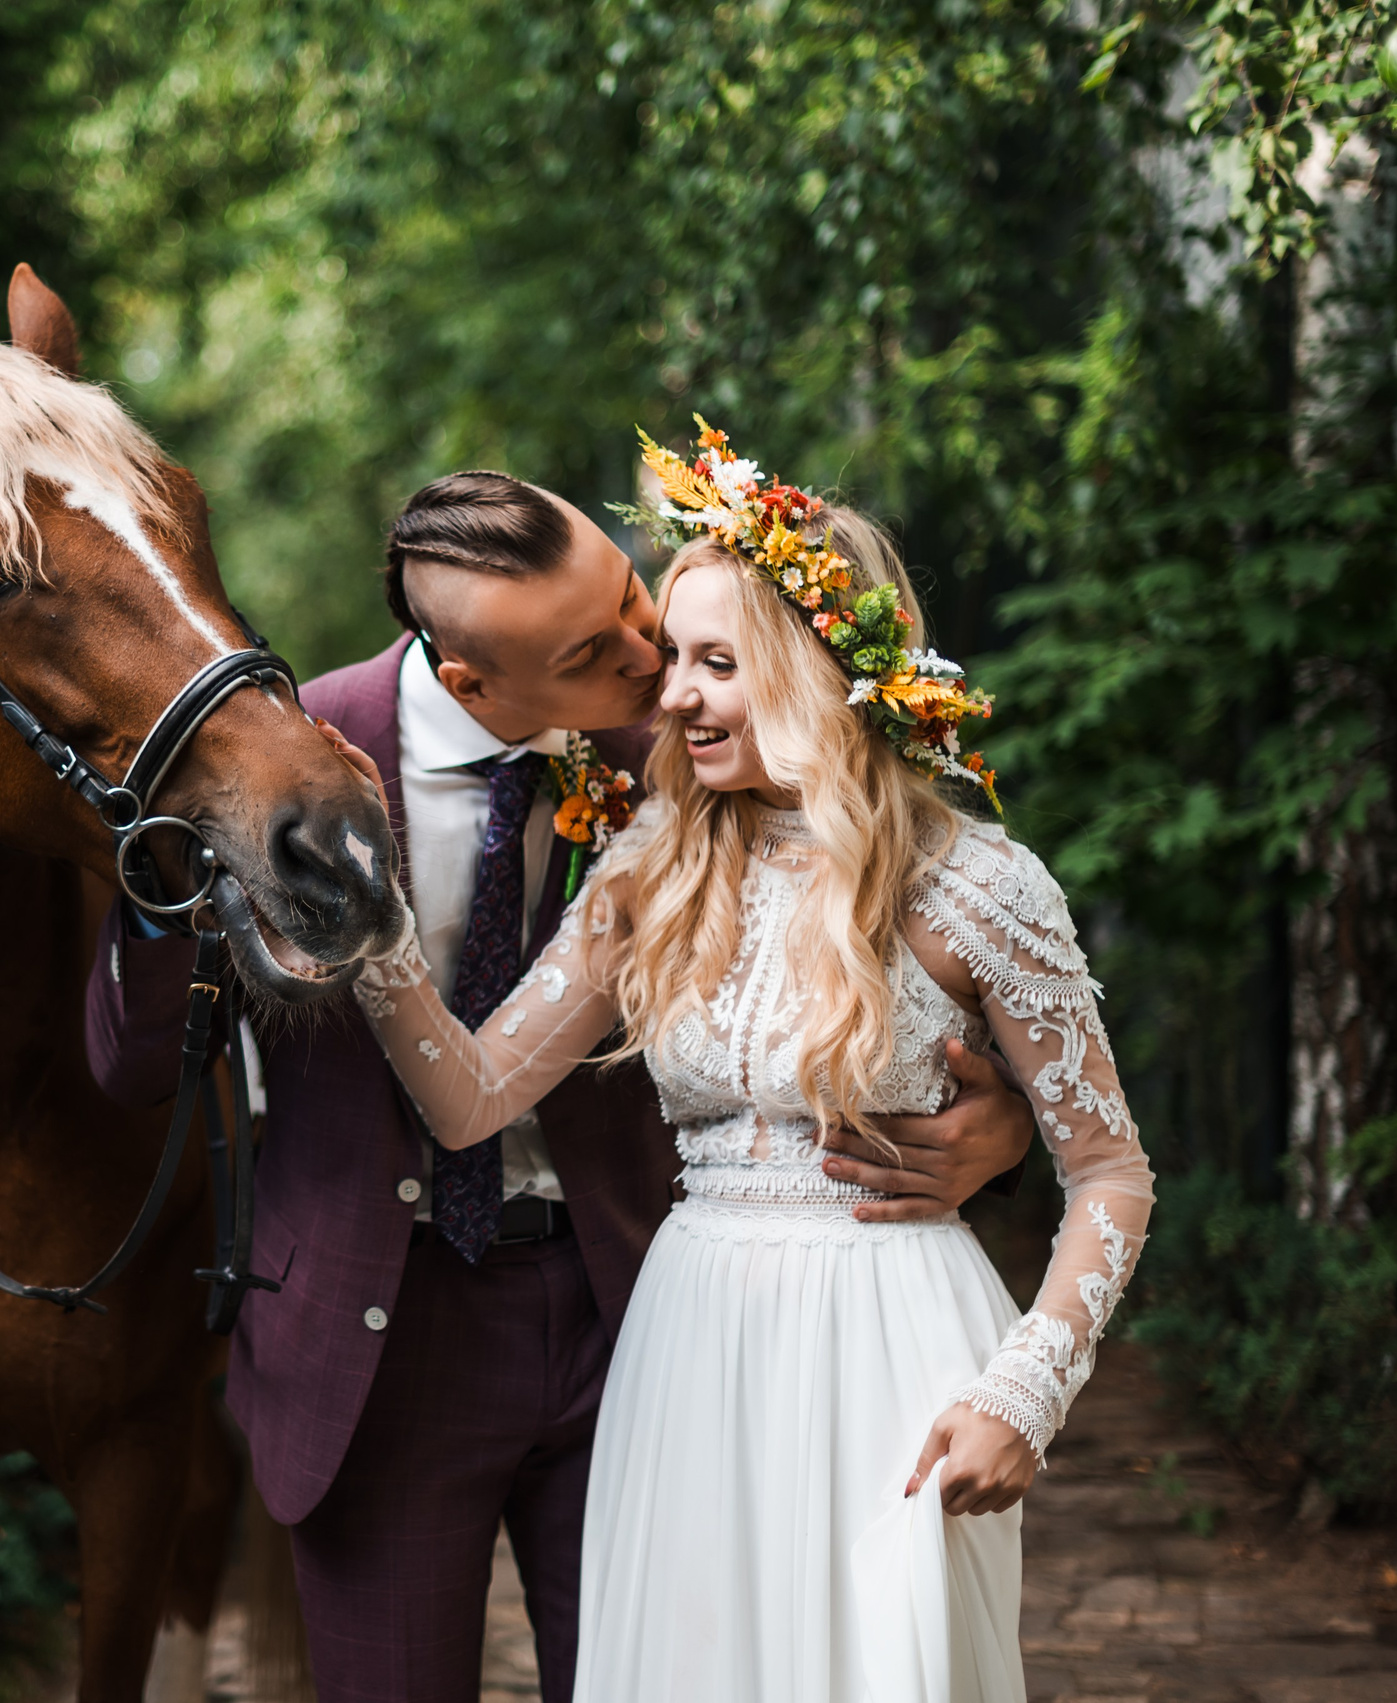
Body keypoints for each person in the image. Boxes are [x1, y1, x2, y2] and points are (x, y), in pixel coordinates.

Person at [81, 469, 1040, 1701]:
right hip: (383, 1343)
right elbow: (132, 1061)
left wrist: (1002, 1121)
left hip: (647, 1321)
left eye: (637, 604)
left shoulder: (702, 752)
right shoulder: (289, 760)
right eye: (601, 650)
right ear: (475, 681)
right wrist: (176, 849)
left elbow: (913, 952)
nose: (651, 661)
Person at [322, 425, 1156, 1702]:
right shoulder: (652, 863)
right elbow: (470, 1096)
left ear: (817, 667)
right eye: (681, 659)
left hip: (895, 1339)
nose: (671, 693)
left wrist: (1026, 1390)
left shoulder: (980, 885)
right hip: (691, 1335)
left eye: (716, 662)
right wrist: (370, 927)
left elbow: (1107, 1167)